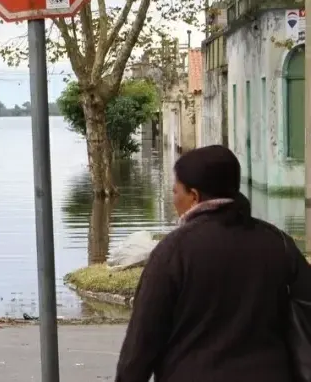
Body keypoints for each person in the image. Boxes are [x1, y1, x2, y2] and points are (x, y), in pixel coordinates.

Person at [115, 144, 311, 382]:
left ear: (194, 196)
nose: (173, 198)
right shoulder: (279, 244)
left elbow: (142, 343)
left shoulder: (173, 252)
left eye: (176, 191)